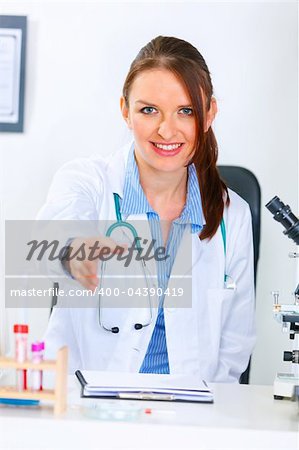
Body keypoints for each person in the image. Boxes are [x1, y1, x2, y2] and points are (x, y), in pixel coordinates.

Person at [38, 35, 255, 382]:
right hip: (86, 407)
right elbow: (54, 232)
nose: (167, 130)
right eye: (148, 110)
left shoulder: (234, 215)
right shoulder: (88, 182)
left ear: (210, 112)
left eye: (186, 111)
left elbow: (236, 342)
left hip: (192, 413)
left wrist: (210, 419)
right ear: (125, 111)